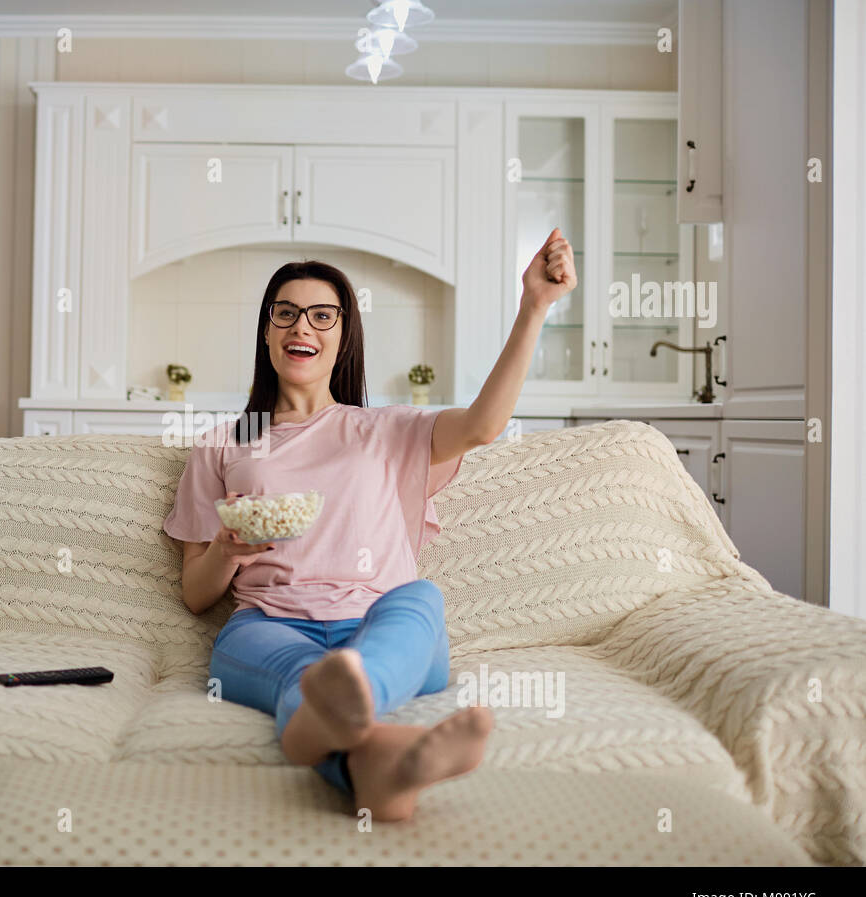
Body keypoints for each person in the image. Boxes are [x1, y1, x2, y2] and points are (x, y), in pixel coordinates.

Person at [162, 229, 578, 821]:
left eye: (321, 315)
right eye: (285, 313)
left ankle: (337, 704)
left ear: (342, 336)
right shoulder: (222, 445)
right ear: (266, 331)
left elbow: (485, 425)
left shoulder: (387, 430)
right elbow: (196, 595)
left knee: (420, 599)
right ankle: (375, 759)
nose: (300, 326)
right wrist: (228, 549)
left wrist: (534, 307)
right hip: (267, 627)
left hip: (380, 624)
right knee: (304, 676)